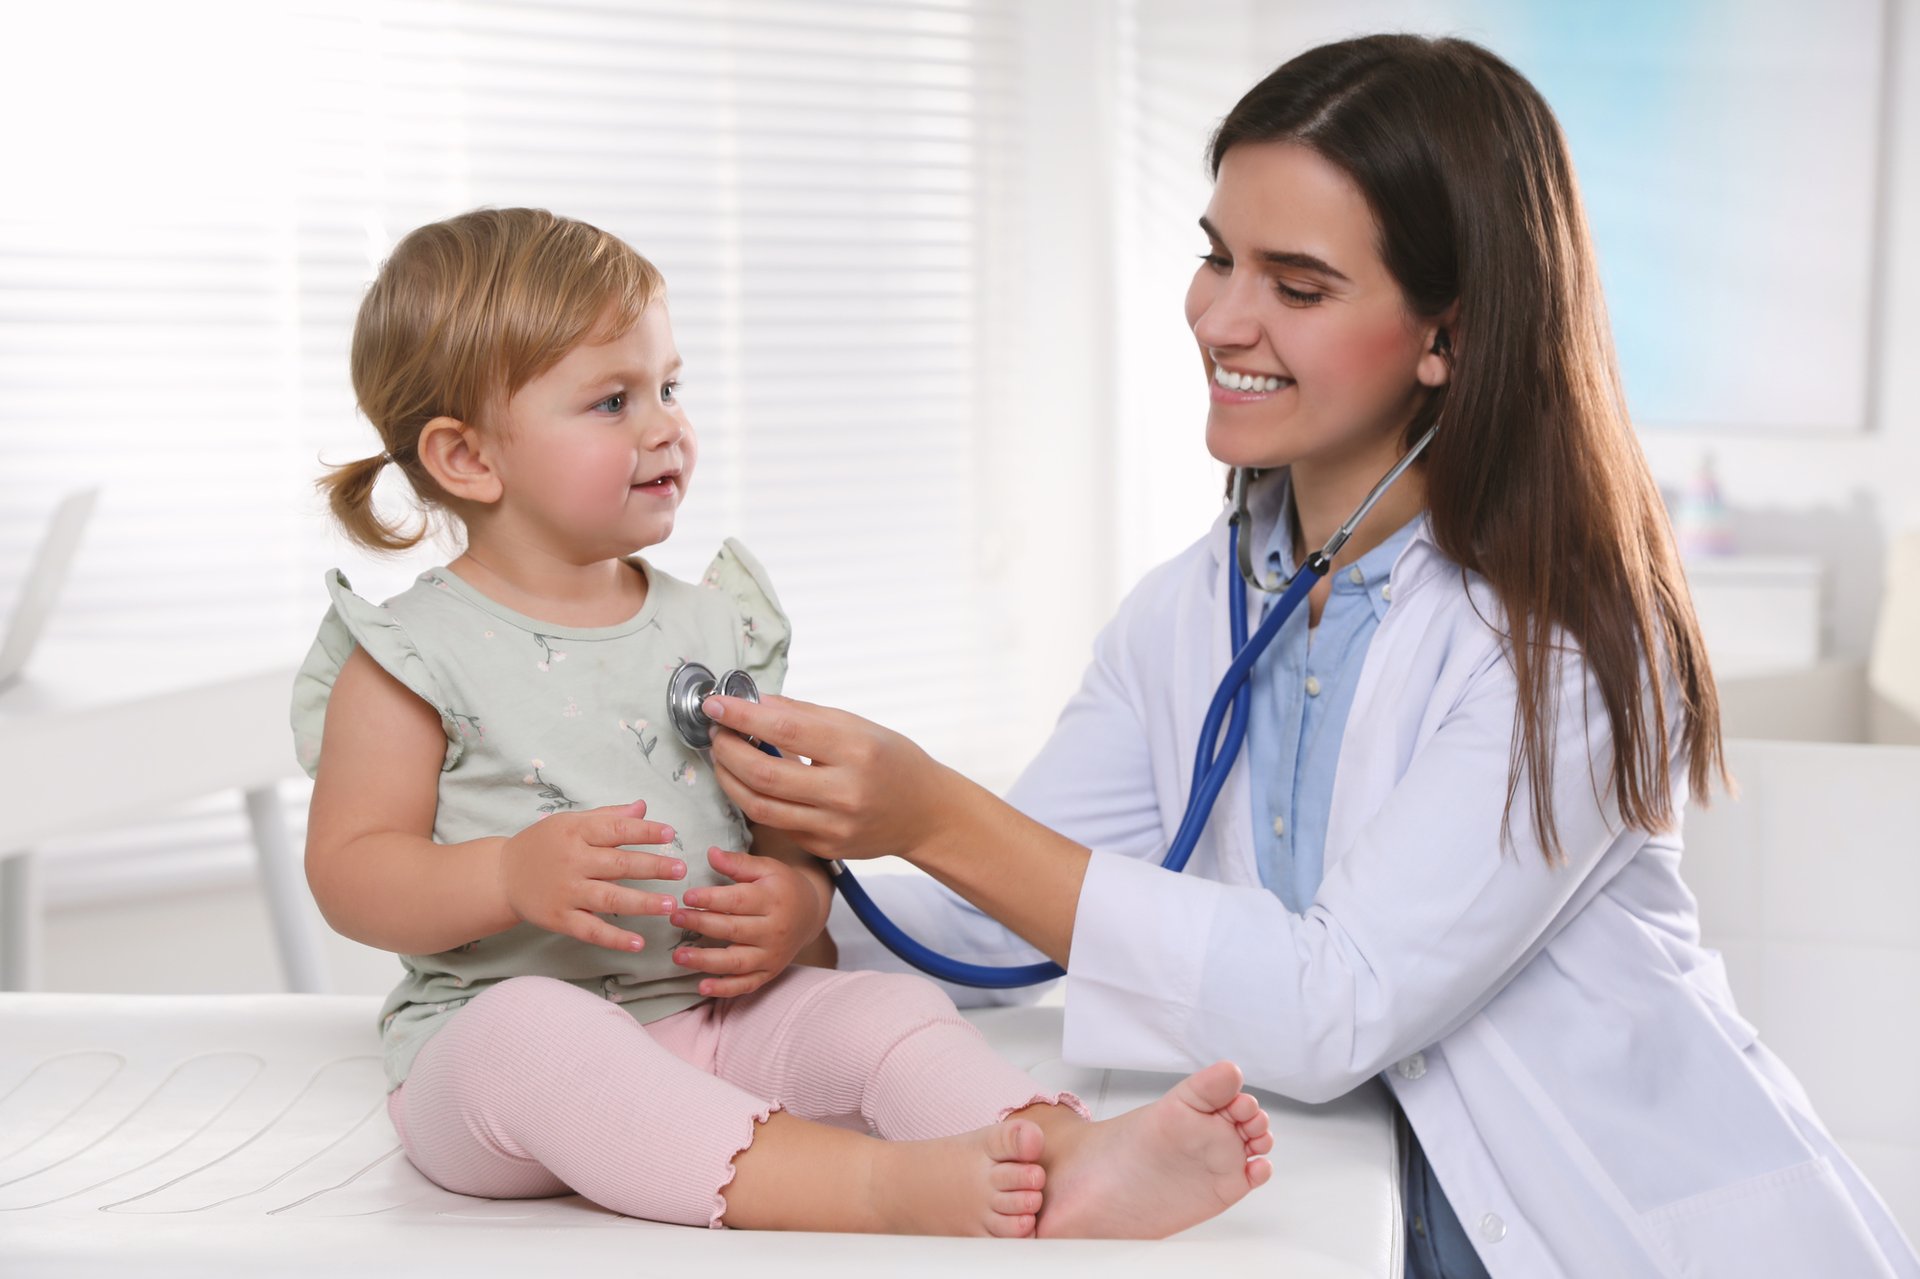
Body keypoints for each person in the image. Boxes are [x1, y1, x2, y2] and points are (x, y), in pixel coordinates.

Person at [698, 36, 1920, 1277]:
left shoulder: (1572, 639)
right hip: (1349, 1213)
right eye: (1218, 255)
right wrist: (812, 914)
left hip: (1604, 1227)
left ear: (1447, 332)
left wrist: (927, 807)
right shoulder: (1191, 610)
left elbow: (1339, 1000)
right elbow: (1001, 920)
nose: (1221, 316)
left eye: (1297, 283)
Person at [291, 207, 1274, 1238]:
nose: (665, 425)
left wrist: (798, 902)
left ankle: (1066, 1156)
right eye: (612, 401)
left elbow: (779, 826)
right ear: (466, 457)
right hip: (493, 1072)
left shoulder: (716, 623)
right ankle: (883, 1189)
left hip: (711, 1021)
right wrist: (503, 877)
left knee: (881, 1013)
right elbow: (352, 872)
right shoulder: (409, 654)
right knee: (535, 1031)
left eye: (670, 387)